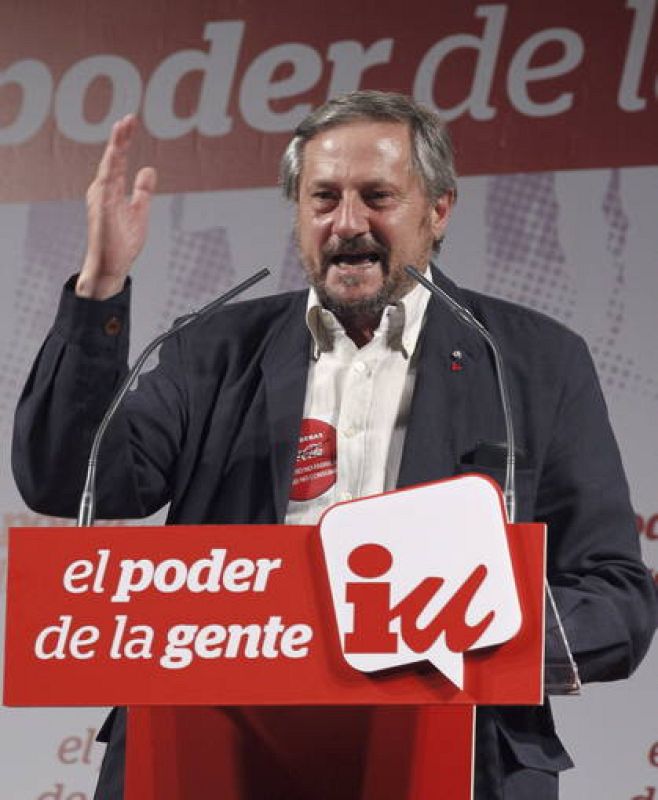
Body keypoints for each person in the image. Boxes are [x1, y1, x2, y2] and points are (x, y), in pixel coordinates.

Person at [12, 91, 656, 799]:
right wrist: (99, 287)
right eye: (323, 198)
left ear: (437, 210)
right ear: (297, 214)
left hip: (450, 754)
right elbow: (68, 479)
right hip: (214, 747)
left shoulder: (531, 362)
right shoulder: (215, 349)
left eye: (377, 196)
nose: (348, 224)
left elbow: (616, 600)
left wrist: (474, 629)